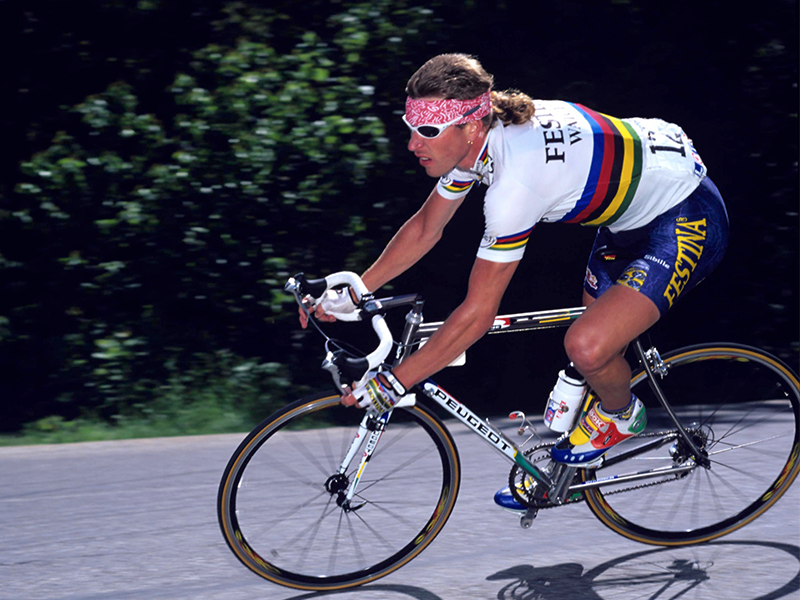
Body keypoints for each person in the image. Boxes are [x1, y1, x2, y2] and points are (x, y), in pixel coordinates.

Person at [299, 53, 729, 504]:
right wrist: (358, 289)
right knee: (594, 349)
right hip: (630, 215)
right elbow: (428, 227)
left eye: (426, 131)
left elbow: (478, 315)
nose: (412, 144)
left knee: (588, 345)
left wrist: (394, 382)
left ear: (469, 127)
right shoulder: (479, 141)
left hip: (685, 213)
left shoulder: (515, 185)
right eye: (410, 127)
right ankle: (563, 478)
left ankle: (622, 416)